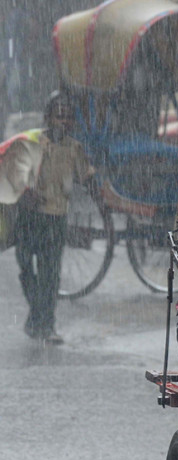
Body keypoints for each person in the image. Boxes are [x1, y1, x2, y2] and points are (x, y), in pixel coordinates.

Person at [15, 92, 99, 344]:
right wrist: (25, 193)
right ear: (48, 118)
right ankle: (36, 317)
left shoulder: (74, 148)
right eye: (58, 116)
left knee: (50, 274)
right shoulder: (34, 144)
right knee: (26, 268)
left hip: (56, 218)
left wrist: (104, 202)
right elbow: (17, 174)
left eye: (68, 118)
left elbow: (88, 178)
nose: (64, 122)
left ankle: (45, 324)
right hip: (30, 218)